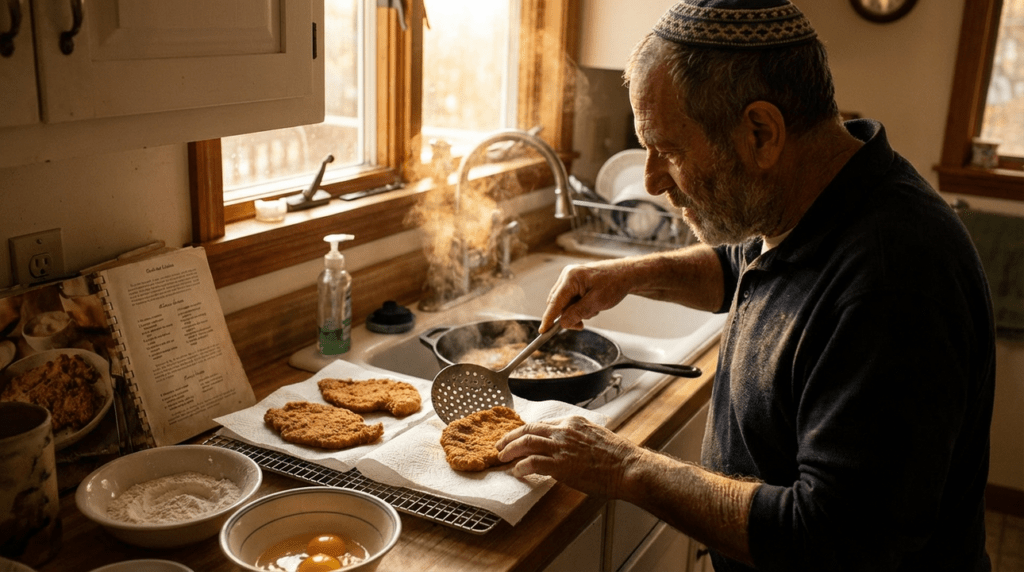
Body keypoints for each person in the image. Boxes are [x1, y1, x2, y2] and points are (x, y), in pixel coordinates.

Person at [495, 1, 996, 570]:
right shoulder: (821, 198)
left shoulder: (894, 282)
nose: (654, 179)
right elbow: (747, 266)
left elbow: (837, 542)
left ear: (761, 132)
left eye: (670, 150)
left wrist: (625, 466)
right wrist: (627, 276)